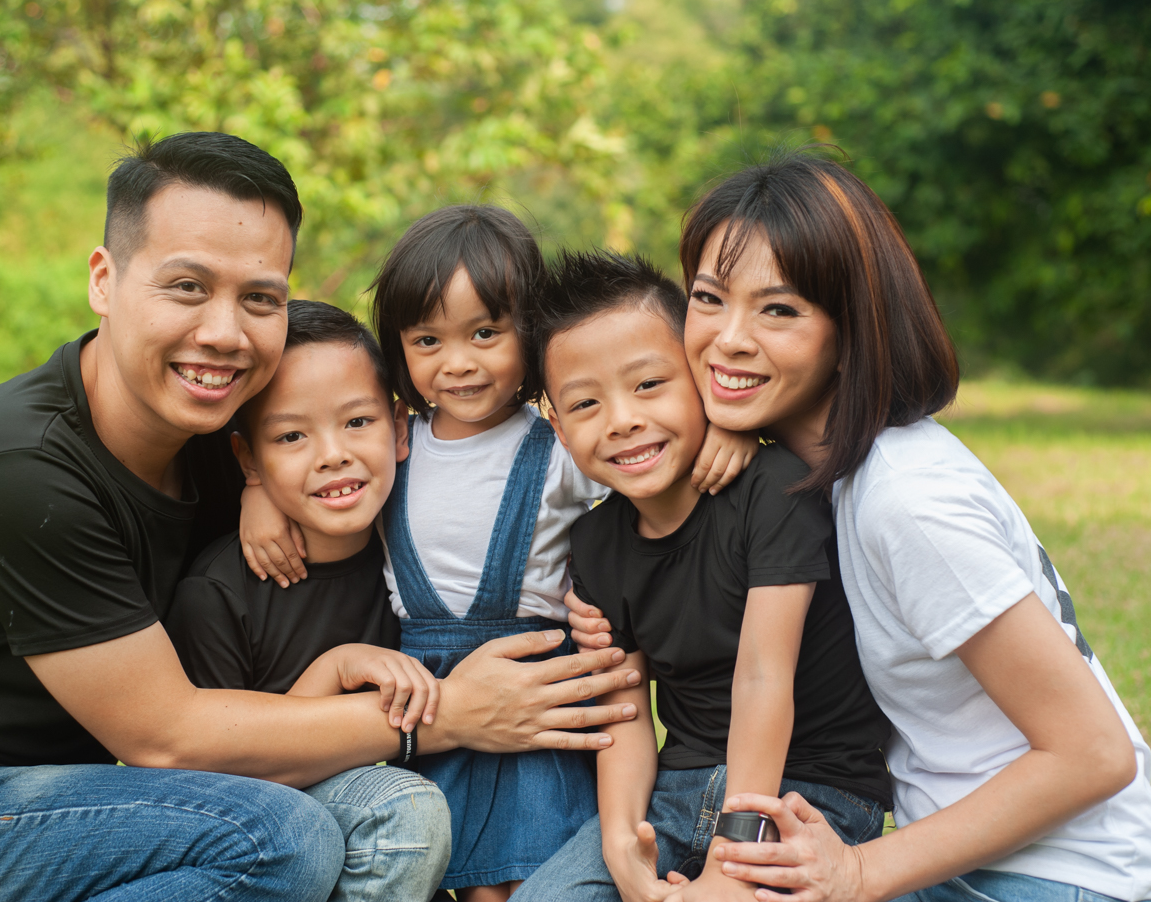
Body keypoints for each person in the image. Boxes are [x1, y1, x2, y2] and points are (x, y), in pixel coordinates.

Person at [0, 133, 644, 902]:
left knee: (352, 820)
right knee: (279, 838)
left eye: (259, 299)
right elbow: (168, 737)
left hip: (76, 793)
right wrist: (447, 712)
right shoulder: (18, 468)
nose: (225, 332)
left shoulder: (220, 427)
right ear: (104, 281)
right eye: (186, 286)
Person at [569, 149, 1151, 902]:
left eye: (779, 309)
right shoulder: (806, 469)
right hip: (957, 868)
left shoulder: (907, 499)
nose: (727, 338)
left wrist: (861, 870)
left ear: (849, 328)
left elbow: (1093, 754)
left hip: (1058, 878)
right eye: (707, 298)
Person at [345, 205, 759, 901]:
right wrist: (262, 494)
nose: (459, 363)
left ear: (530, 338)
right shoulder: (389, 441)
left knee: (513, 879)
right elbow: (321, 468)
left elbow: (649, 460)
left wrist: (731, 432)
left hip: (538, 686)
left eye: (485, 333)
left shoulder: (560, 440)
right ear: (398, 350)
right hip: (427, 689)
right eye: (427, 340)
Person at [514, 251, 892, 902]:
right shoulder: (596, 541)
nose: (622, 419)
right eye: (584, 404)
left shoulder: (770, 491)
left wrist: (733, 860)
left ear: (700, 378)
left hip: (807, 793)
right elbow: (623, 704)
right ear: (557, 427)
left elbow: (761, 676)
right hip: (677, 790)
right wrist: (619, 840)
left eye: (648, 385)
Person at [165, 298, 448, 900]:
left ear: (400, 427)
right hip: (275, 835)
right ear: (249, 458)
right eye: (292, 436)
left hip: (421, 821)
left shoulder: (424, 540)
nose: (332, 454)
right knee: (403, 811)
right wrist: (335, 669)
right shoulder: (217, 593)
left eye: (357, 422)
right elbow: (213, 789)